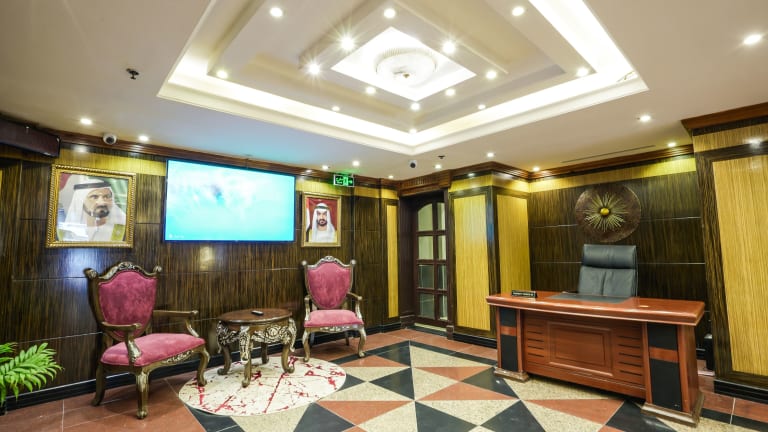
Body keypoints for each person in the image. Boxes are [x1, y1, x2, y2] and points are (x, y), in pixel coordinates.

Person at [57, 178, 127, 242]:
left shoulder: (124, 231)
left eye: (106, 196)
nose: (102, 202)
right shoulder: (65, 234)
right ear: (80, 202)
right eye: (94, 197)